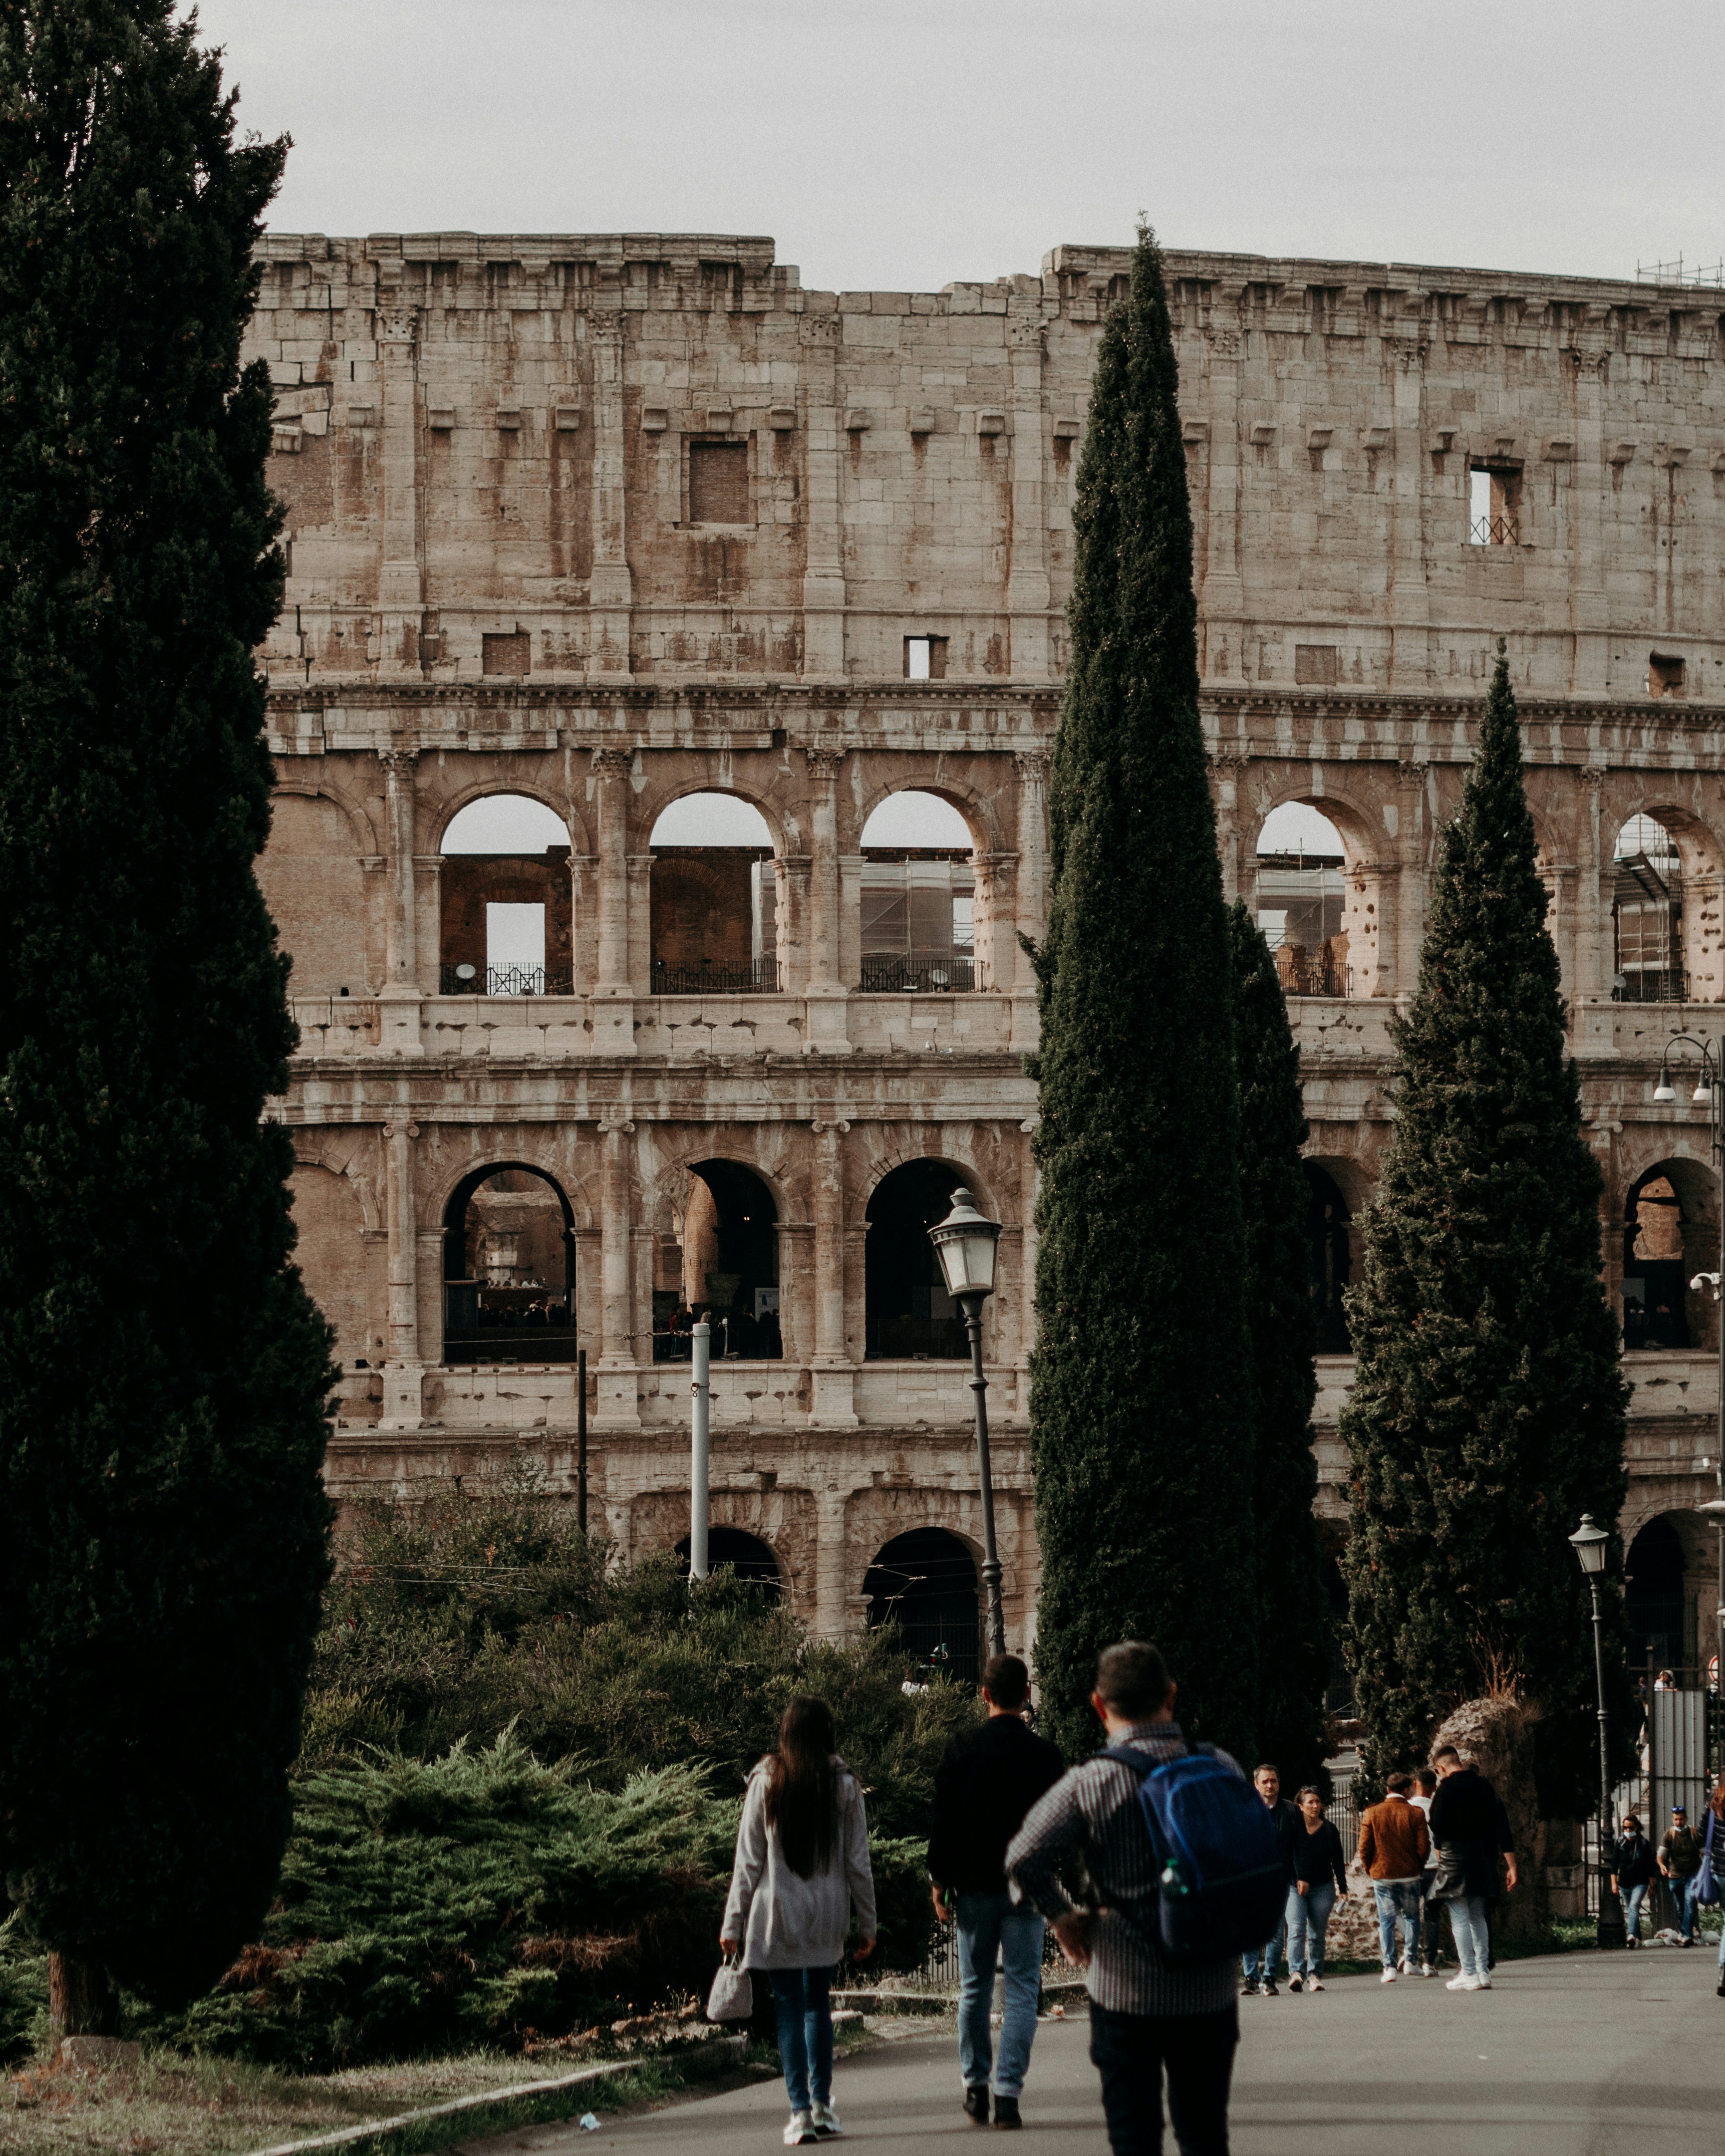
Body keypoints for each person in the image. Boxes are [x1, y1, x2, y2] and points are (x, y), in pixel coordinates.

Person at [1006, 1641, 1242, 2156]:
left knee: (1133, 2140)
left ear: (1098, 1705)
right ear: (1172, 1696)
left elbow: (1023, 1857)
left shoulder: (1093, 1781)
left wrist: (1063, 1917)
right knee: (1205, 2136)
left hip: (1122, 1985)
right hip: (1209, 1983)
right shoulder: (1220, 1766)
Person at [721, 1696, 876, 2146]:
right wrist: (868, 1922)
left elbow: (747, 1862)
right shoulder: (844, 1784)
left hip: (777, 1914)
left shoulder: (766, 1780)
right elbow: (858, 1862)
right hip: (827, 1914)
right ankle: (825, 2105)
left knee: (789, 2010)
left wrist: (733, 1924)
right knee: (817, 2006)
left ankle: (799, 2112)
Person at [927, 1653, 1065, 2129]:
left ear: (983, 1694)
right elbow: (1058, 1828)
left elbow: (944, 1820)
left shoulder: (961, 1749)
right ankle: (1009, 2093)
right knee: (1025, 1990)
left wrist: (939, 1880)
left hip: (975, 1886)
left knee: (974, 1989)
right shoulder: (1046, 1756)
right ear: (1026, 1693)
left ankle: (975, 2086)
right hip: (1025, 1889)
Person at [1428, 1745, 1517, 1993]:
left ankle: (1467, 1971)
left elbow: (1437, 1824)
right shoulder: (1484, 1786)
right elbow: (1497, 1823)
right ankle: (1483, 1971)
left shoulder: (1445, 1789)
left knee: (1459, 1916)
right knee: (1478, 1916)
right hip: (1483, 1857)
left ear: (1441, 1767)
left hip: (1455, 1857)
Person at [1358, 1772, 1430, 1982]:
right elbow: (1424, 1846)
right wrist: (1418, 1866)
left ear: (1388, 1790)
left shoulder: (1372, 1813)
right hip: (1410, 1874)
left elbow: (1364, 1847)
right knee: (1412, 1918)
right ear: (1407, 1790)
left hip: (1383, 1874)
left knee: (1386, 1921)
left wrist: (1370, 1868)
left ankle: (1389, 1966)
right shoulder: (1415, 1813)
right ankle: (1411, 1961)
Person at [1240, 1765, 1298, 1997]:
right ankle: (1250, 1978)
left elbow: (1298, 1846)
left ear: (1279, 1784)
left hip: (1280, 1879)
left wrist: (1299, 1875)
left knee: (1275, 1931)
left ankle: (1269, 1978)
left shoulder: (1291, 1811)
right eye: (1265, 1782)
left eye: (1273, 1781)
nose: (1269, 1786)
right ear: (1256, 1785)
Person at [1283, 1786, 1348, 1993]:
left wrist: (1343, 1888)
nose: (1315, 1806)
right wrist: (1298, 1878)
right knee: (1296, 1929)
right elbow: (1288, 1857)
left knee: (1317, 1933)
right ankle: (1295, 1973)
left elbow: (1338, 1860)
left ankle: (1314, 1975)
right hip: (1295, 1886)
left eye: (1318, 1802)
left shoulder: (1329, 1830)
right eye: (1310, 1802)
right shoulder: (1293, 1830)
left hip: (1323, 1886)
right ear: (1300, 1806)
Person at [1409, 1768, 1441, 1974]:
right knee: (1433, 1917)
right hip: (1436, 1869)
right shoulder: (1438, 1808)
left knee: (1410, 1915)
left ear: (1415, 1785)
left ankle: (1410, 1956)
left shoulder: (1408, 1808)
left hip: (1413, 1870)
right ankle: (1429, 1962)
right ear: (1434, 1787)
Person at [1609, 1811, 1657, 1947]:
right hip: (1624, 1882)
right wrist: (1614, 1884)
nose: (1628, 1830)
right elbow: (1614, 1866)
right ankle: (1638, 1937)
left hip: (1640, 1882)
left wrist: (1652, 1885)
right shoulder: (1620, 1843)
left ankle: (1630, 1935)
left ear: (1637, 1827)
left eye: (1631, 1828)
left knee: (1634, 1906)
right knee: (1631, 1909)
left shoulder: (1643, 1843)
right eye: (1625, 1828)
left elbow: (1650, 1866)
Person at [1658, 1802, 1702, 1945]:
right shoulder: (1669, 1834)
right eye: (1676, 1819)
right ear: (1673, 1820)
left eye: (1681, 1819)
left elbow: (1703, 1852)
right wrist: (1662, 1865)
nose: (1679, 1822)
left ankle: (1687, 1935)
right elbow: (1661, 1854)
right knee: (1680, 1908)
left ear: (1686, 1819)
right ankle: (1683, 1932)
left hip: (1692, 1875)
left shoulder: (1694, 1833)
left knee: (1690, 1903)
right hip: (1675, 1876)